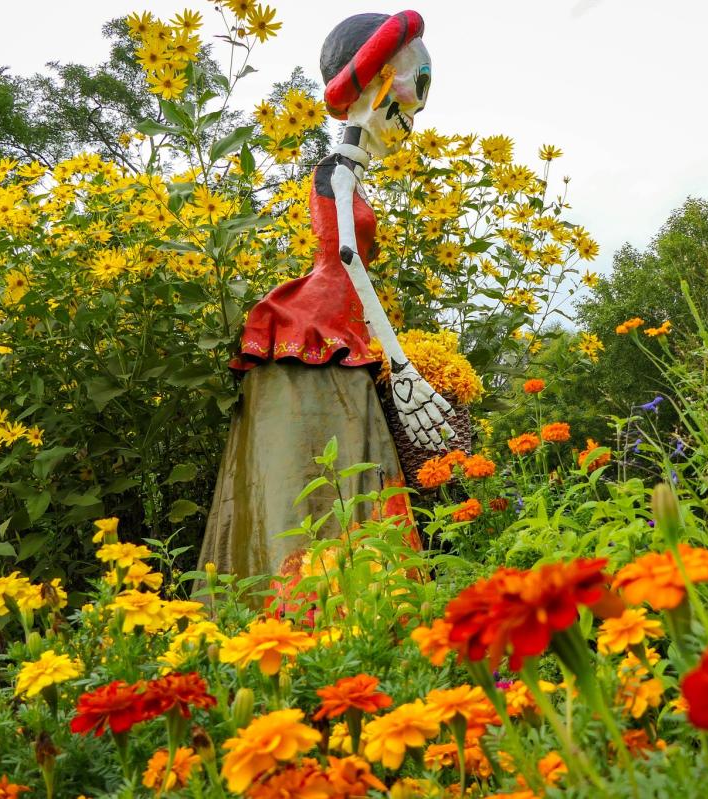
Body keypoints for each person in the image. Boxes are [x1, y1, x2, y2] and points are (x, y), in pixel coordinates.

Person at [199, 10, 452, 580]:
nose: (419, 106)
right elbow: (346, 258)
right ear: (379, 81)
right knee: (317, 465)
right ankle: (302, 589)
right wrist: (403, 361)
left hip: (344, 331)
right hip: (316, 329)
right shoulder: (335, 171)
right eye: (419, 82)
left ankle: (364, 589)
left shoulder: (352, 174)